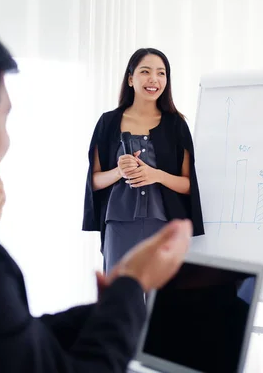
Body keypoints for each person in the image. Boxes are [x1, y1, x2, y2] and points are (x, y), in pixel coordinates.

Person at [0, 17, 192, 373]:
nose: (7, 139)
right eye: (4, 118)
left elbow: (8, 338)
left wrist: (111, 305)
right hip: (120, 222)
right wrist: (132, 287)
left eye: (161, 72)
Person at [83, 48, 205, 273]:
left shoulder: (176, 125)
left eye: (161, 73)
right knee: (119, 299)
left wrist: (155, 175)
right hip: (119, 226)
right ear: (130, 79)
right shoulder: (108, 122)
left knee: (159, 305)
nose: (154, 79)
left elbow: (189, 185)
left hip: (164, 226)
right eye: (145, 71)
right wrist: (119, 171)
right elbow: (94, 181)